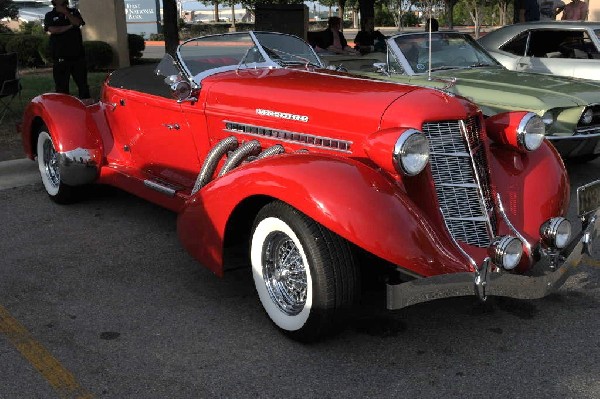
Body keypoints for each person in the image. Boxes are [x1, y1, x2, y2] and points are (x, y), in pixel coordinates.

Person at [44, 0, 91, 100]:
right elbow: (53, 30)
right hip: (60, 57)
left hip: (77, 56)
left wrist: (66, 12)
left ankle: (86, 107)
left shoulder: (74, 12)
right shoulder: (50, 15)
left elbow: (78, 23)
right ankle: (64, 109)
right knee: (61, 88)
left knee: (83, 85)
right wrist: (70, 26)